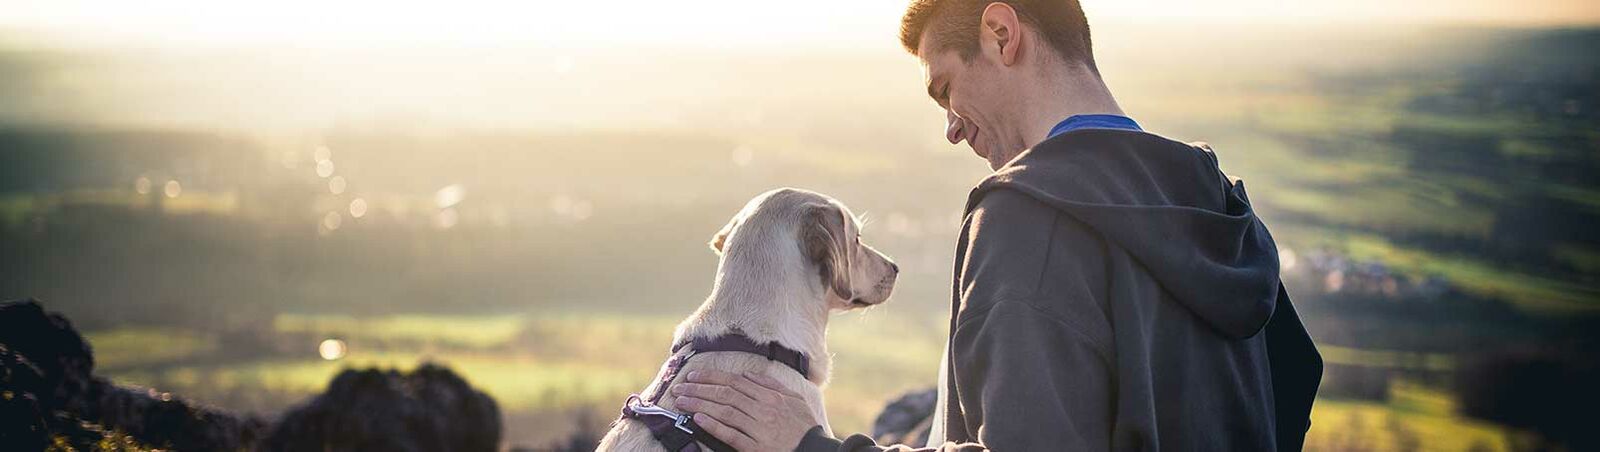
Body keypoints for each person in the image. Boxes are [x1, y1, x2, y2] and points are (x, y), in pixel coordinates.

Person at [669, 1, 1323, 450]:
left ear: (1002, 33)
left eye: (946, 89)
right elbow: (1291, 391)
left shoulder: (1024, 214)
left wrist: (810, 445)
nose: (951, 127)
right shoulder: (1221, 205)